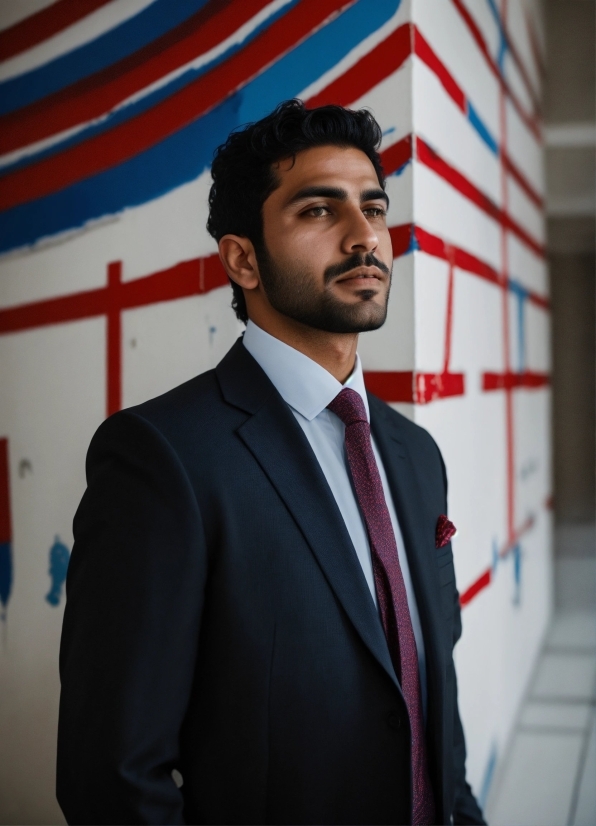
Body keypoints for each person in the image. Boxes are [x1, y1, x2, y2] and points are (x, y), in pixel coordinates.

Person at [57, 100, 485, 826]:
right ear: (243, 258)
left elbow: (428, 690)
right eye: (319, 211)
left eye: (373, 209)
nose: (363, 238)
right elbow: (115, 778)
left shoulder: (416, 454)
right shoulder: (161, 459)